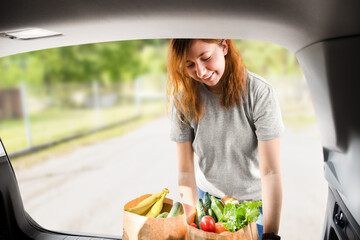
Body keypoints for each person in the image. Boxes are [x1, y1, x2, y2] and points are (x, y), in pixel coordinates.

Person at [167, 39, 284, 240]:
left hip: (253, 205)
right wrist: (191, 223)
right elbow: (185, 171)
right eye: (190, 64)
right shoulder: (183, 100)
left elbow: (271, 172)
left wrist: (271, 235)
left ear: (224, 46)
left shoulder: (259, 93)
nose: (201, 71)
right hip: (208, 203)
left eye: (206, 58)